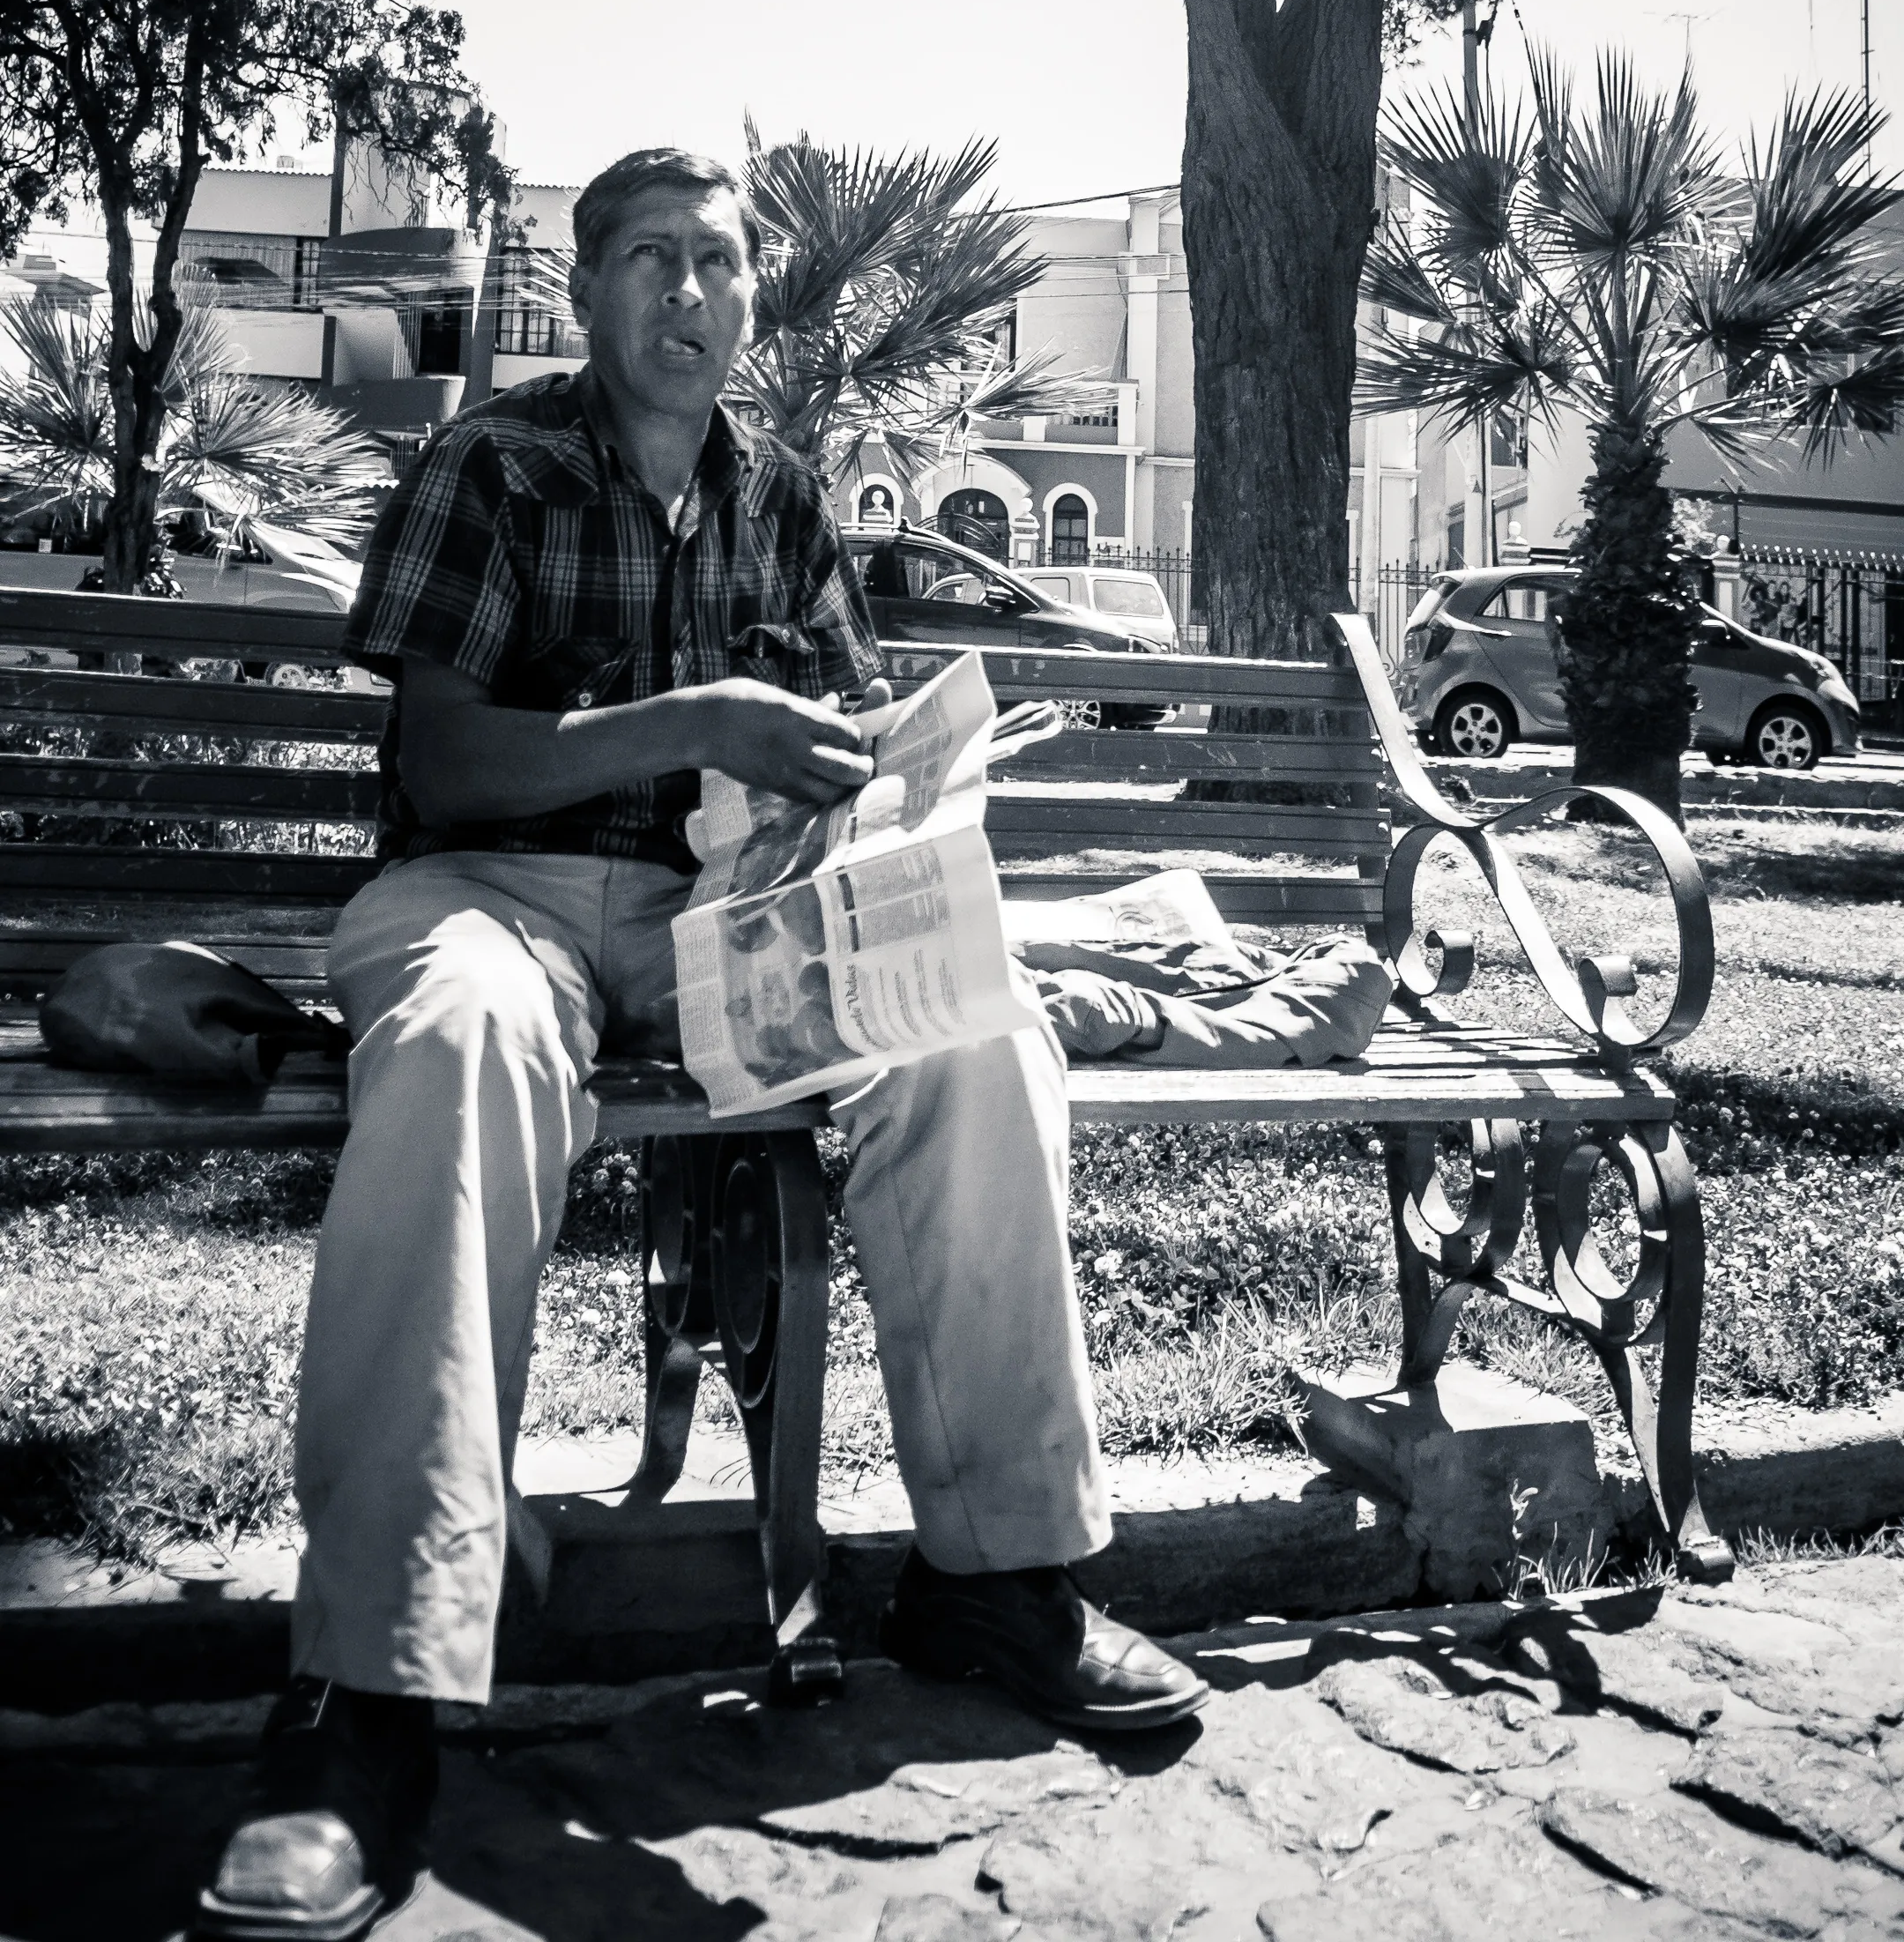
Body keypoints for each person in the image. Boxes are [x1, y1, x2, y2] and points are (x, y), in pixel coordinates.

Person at [190, 148, 1205, 1941]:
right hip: (490, 896)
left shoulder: (785, 498)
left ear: (751, 299)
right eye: (648, 260)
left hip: (722, 931)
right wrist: (692, 716)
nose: (688, 295)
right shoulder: (489, 464)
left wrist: (877, 775)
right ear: (583, 293)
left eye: (720, 265)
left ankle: (1004, 1579)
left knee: (973, 1031)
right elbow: (445, 762)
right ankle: (371, 1698)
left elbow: (820, 749)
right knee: (460, 1050)